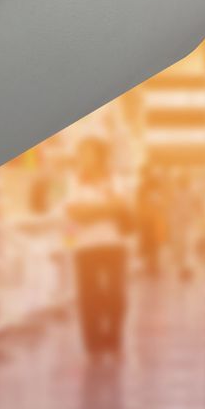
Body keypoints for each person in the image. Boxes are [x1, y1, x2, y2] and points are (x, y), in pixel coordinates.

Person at [66, 137, 132, 360]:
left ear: (100, 156)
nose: (84, 159)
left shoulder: (116, 180)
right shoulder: (75, 182)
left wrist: (91, 211)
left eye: (88, 153)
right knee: (88, 297)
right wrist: (106, 209)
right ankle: (93, 344)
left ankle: (113, 340)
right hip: (85, 247)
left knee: (115, 295)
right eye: (82, 154)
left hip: (114, 244)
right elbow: (75, 213)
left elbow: (122, 208)